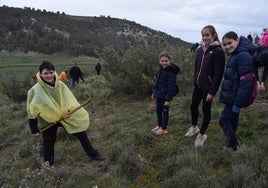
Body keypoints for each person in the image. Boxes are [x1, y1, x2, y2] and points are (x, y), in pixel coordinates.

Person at [26, 61, 105, 167]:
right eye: (45, 73)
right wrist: (34, 129)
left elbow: (69, 100)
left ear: (54, 72)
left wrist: (67, 113)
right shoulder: (34, 91)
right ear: (40, 74)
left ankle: (92, 153)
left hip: (64, 116)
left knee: (81, 133)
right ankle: (48, 165)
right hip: (48, 120)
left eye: (51, 72)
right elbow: (31, 111)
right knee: (48, 142)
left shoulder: (60, 85)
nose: (49, 75)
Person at [184, 25, 225, 147]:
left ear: (213, 35)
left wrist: (212, 92)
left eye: (207, 35)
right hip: (198, 85)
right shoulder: (200, 50)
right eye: (203, 35)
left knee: (205, 110)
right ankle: (194, 127)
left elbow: (218, 74)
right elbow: (197, 68)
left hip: (208, 87)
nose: (205, 37)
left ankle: (202, 135)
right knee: (193, 106)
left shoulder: (218, 51)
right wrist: (195, 81)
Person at [219, 31, 256, 151]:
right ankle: (231, 146)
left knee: (223, 120)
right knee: (233, 121)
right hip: (233, 95)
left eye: (230, 43)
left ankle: (234, 144)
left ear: (237, 41)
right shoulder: (236, 54)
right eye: (225, 45)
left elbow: (247, 81)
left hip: (235, 98)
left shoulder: (242, 55)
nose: (227, 46)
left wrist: (238, 102)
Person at [151, 51, 180, 135]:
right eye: (162, 61)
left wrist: (168, 99)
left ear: (169, 61)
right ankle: (159, 125)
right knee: (158, 110)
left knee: (165, 111)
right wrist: (154, 92)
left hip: (165, 96)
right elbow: (157, 82)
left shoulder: (171, 72)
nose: (164, 63)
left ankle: (164, 128)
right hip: (159, 94)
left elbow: (172, 87)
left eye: (166, 61)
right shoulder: (160, 69)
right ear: (159, 61)